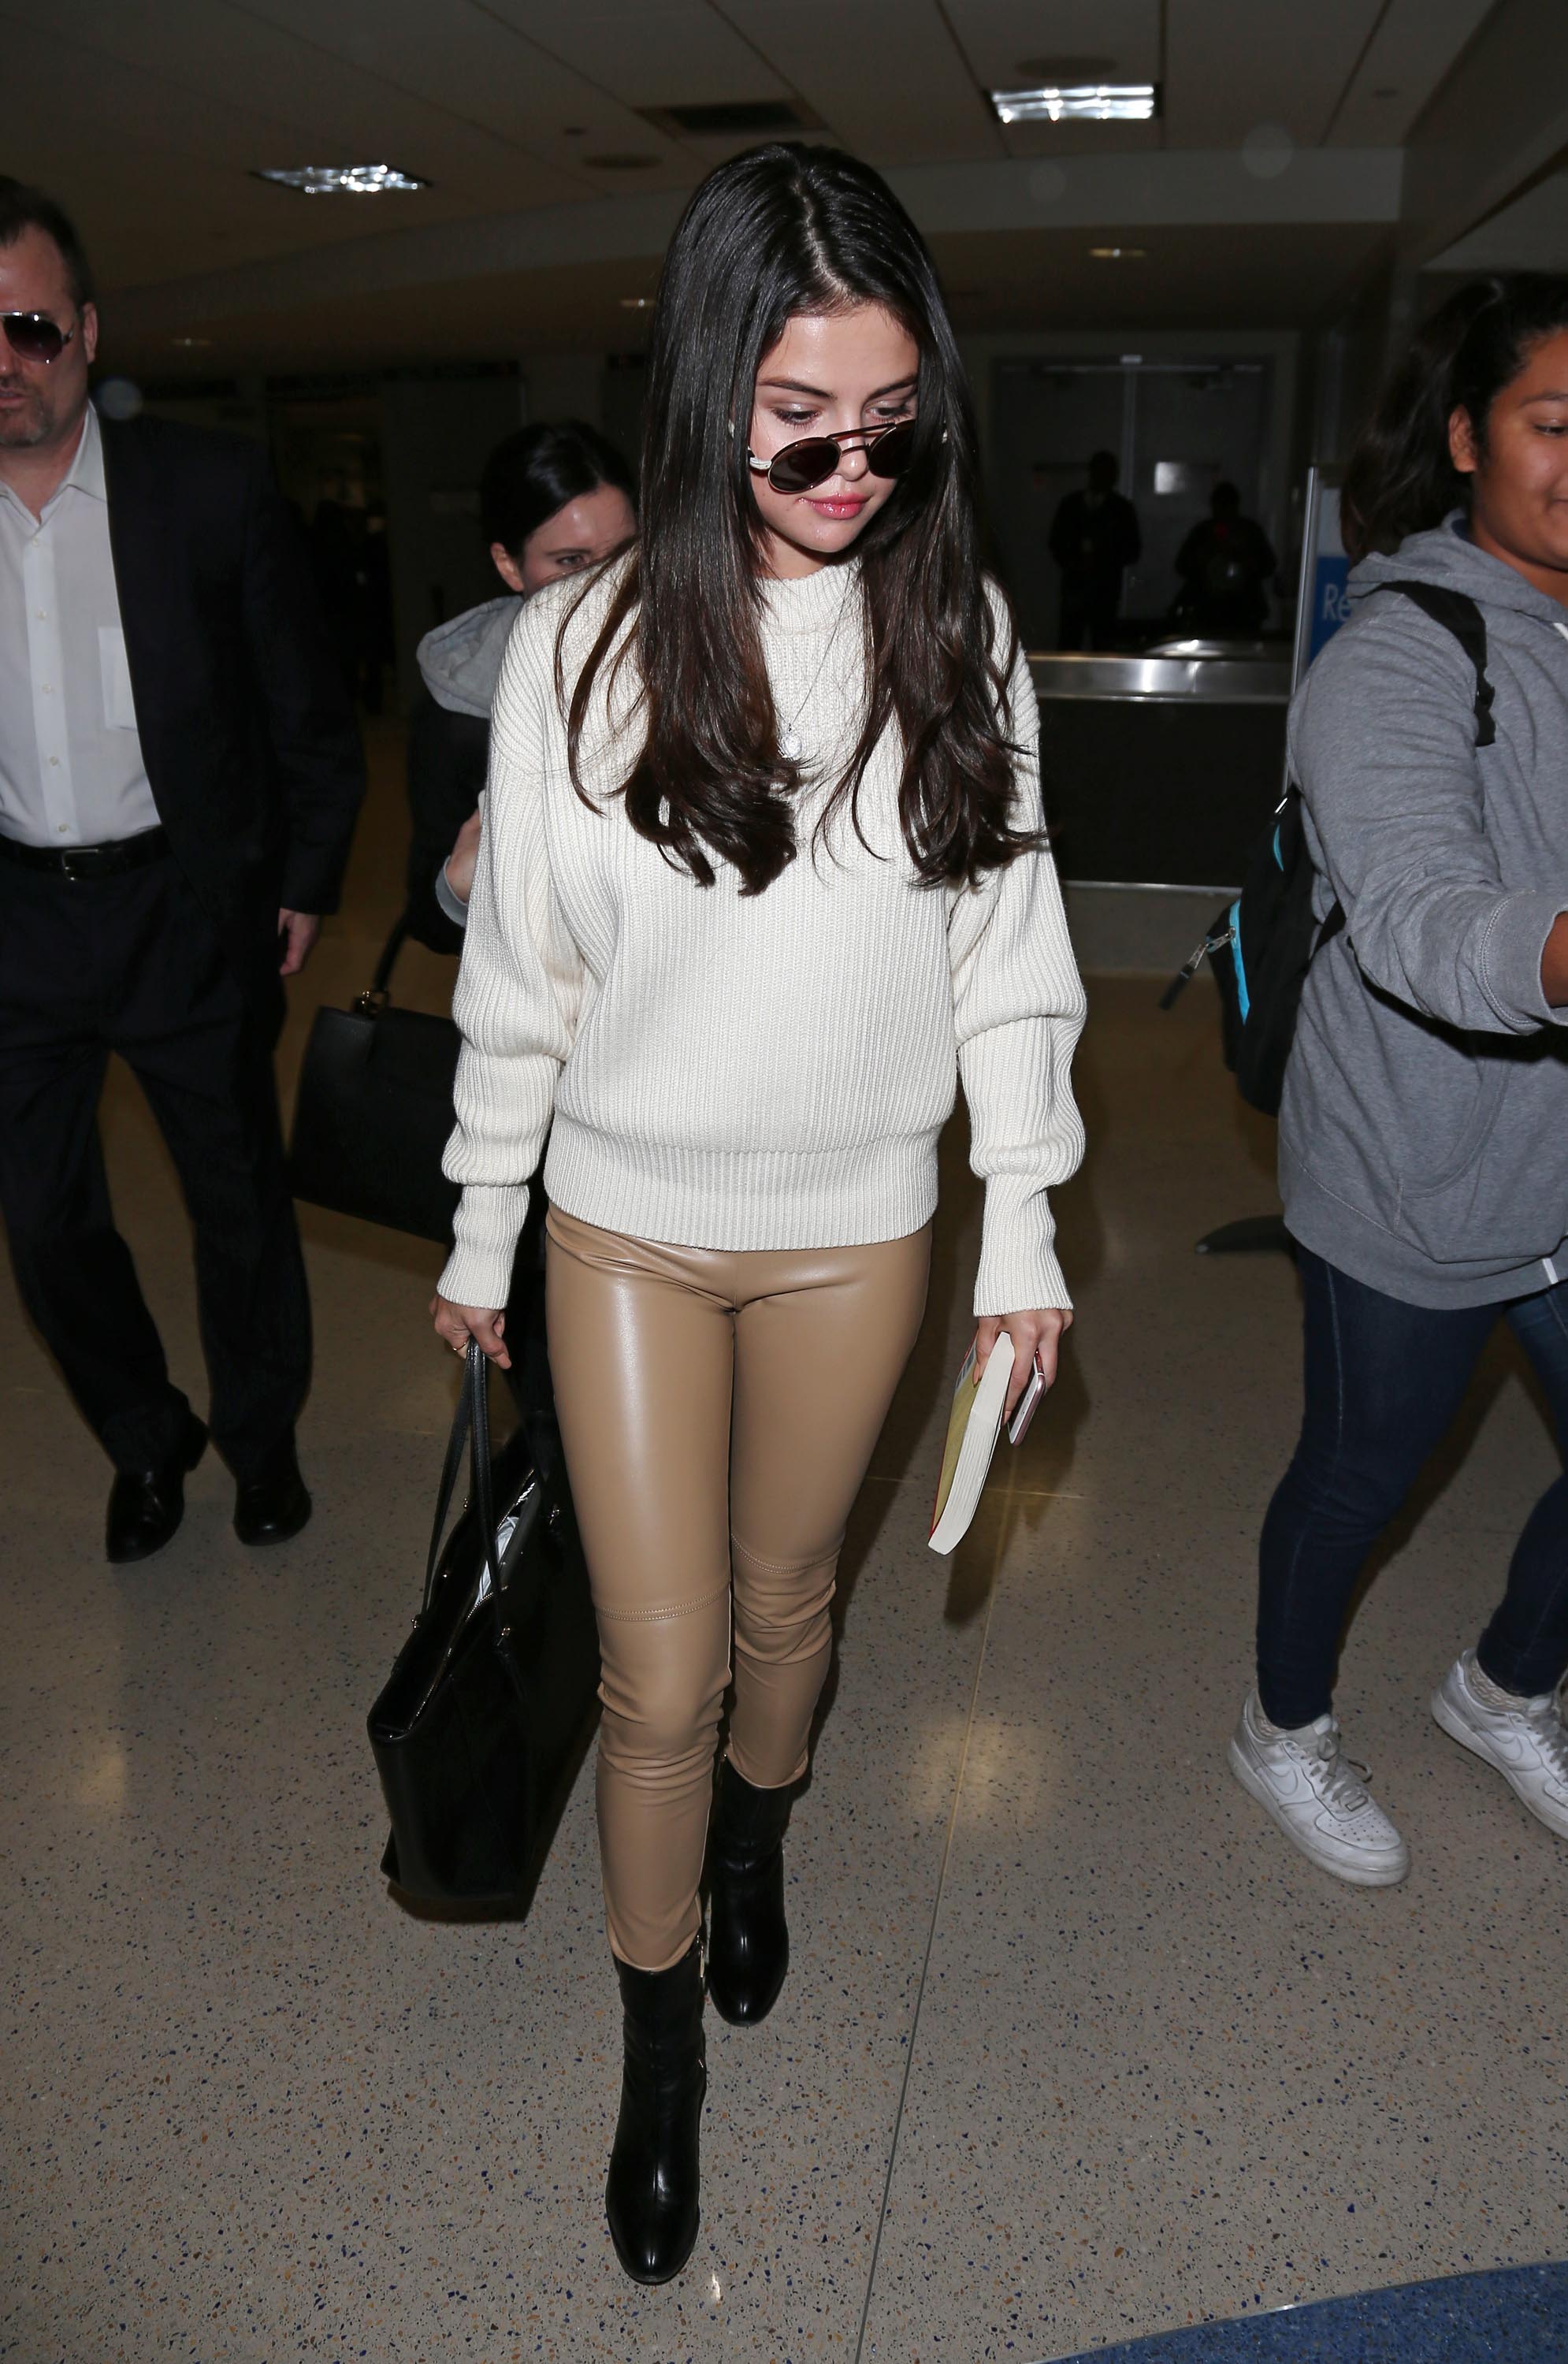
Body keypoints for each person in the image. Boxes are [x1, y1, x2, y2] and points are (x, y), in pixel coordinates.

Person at [430, 143, 1086, 2284]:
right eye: (805, 419)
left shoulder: (950, 619)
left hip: (856, 1230)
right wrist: (476, 1227)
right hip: (619, 1223)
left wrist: (1022, 1232)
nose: (850, 464)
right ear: (713, 386)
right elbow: (519, 966)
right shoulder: (580, 651)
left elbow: (1007, 956)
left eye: (893, 421)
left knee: (787, 1611)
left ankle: (757, 1845)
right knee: (656, 1667)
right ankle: (653, 2063)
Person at [1229, 273, 1568, 1887]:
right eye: (1551, 424)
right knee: (1358, 1476)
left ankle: (1499, 1688)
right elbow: (1427, 928)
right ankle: (1279, 1727)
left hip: (1564, 1170)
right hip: (1412, 1176)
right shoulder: (1391, 659)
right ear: (1461, 438)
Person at [0, 180, 364, 1563]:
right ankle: (147, 1441)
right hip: (20, 919)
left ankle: (260, 1443)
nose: (3, 362)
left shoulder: (203, 489)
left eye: (27, 326)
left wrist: (310, 872)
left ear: (85, 329)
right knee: (44, 1225)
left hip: (180, 905)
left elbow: (305, 706)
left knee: (236, 1204)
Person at [403, 420, 636, 953]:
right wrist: (461, 887)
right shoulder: (463, 716)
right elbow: (429, 920)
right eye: (571, 561)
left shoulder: (699, 669)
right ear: (511, 567)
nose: (606, 584)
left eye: (625, 552)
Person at [1047, 448, 1140, 649]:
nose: (1103, 477)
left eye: (1108, 472)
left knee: (1104, 643)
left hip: (1105, 590)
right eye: (1100, 471)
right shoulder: (1071, 505)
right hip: (1075, 587)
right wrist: (1074, 563)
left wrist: (1105, 558)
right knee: (1069, 643)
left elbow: (1133, 549)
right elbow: (1056, 542)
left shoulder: (1121, 509)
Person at [1174, 481, 1276, 637]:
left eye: (1227, 505)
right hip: (1207, 610)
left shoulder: (1249, 532)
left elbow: (1268, 565)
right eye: (1220, 505)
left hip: (1243, 610)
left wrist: (1242, 558)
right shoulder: (1203, 532)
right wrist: (1206, 558)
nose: (1223, 511)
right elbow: (1182, 565)